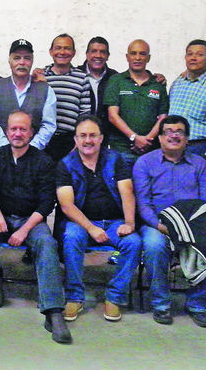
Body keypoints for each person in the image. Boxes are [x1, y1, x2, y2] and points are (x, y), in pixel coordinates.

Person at [0, 110, 71, 344]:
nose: (17, 133)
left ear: (31, 133)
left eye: (23, 129)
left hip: (31, 220)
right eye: (13, 129)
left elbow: (46, 203)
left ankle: (53, 310)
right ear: (6, 131)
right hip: (1, 217)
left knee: (47, 243)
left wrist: (24, 230)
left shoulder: (44, 161)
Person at [133, 115, 206, 327]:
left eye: (179, 132)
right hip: (157, 223)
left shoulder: (200, 164)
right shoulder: (144, 163)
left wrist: (191, 227)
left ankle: (198, 304)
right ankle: (161, 304)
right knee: (154, 245)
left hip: (193, 223)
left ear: (187, 138)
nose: (173, 136)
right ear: (160, 138)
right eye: (168, 132)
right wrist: (160, 226)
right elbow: (143, 204)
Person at [57, 115, 141, 323]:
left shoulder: (116, 159)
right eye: (83, 135)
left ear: (101, 138)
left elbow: (127, 191)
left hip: (114, 222)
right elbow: (67, 205)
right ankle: (74, 296)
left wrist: (129, 223)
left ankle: (114, 297)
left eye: (93, 135)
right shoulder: (65, 165)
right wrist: (90, 228)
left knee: (133, 242)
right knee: (71, 238)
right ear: (76, 139)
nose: (88, 140)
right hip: (81, 223)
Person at [104, 39, 169, 168]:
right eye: (133, 53)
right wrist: (134, 137)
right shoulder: (116, 80)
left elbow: (163, 117)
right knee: (123, 182)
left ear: (148, 58)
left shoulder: (158, 84)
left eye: (142, 54)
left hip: (150, 151)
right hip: (121, 150)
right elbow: (112, 115)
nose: (138, 58)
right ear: (127, 57)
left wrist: (146, 140)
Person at [0, 39, 57, 151]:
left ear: (32, 61)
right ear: (9, 61)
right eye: (17, 58)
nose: (22, 62)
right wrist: (7, 149)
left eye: (27, 58)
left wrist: (31, 150)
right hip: (1, 154)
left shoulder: (46, 90)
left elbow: (48, 125)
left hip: (35, 155)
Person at [169, 39, 206, 168]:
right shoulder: (178, 82)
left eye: (199, 54)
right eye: (190, 54)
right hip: (171, 147)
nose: (193, 58)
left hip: (197, 149)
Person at [39, 34, 91, 161]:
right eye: (58, 48)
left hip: (69, 143)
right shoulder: (40, 76)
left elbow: (85, 114)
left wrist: (78, 143)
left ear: (73, 53)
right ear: (51, 51)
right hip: (42, 140)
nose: (62, 52)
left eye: (67, 48)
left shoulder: (82, 78)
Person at [79, 37, 118, 138]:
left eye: (102, 52)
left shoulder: (115, 78)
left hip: (107, 137)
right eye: (94, 51)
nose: (98, 55)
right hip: (80, 137)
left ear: (108, 56)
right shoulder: (76, 74)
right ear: (87, 54)